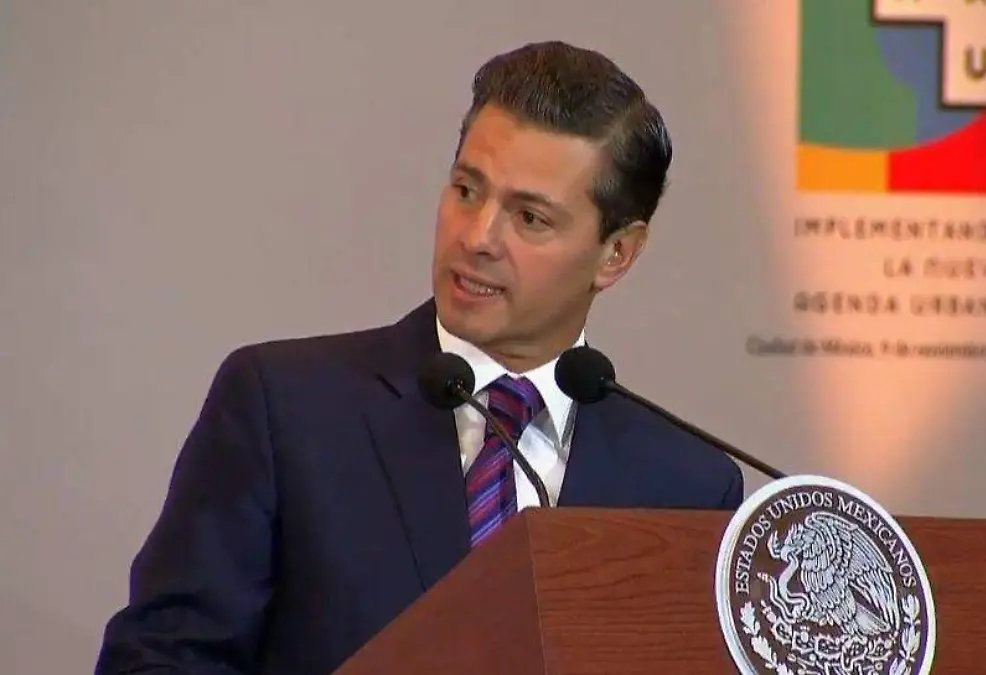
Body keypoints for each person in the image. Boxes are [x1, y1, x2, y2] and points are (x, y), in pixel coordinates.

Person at [95, 40, 744, 675]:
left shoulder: (686, 486)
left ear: (616, 254)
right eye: (467, 190)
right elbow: (157, 659)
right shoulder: (286, 410)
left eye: (529, 218)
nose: (478, 237)